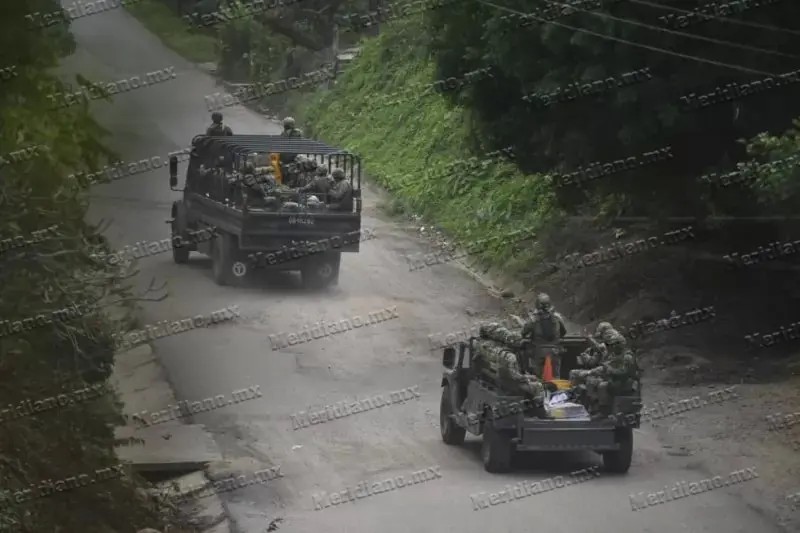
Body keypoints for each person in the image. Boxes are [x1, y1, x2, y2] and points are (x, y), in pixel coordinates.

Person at [569, 322, 640, 419]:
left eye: (614, 344)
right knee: (592, 380)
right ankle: (592, 406)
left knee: (602, 385)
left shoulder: (627, 356)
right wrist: (593, 372)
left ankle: (603, 411)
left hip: (624, 381)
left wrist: (609, 370)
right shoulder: (614, 354)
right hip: (616, 379)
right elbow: (604, 366)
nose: (611, 347)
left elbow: (624, 372)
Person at [520, 293, 568, 378]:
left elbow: (523, 332)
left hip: (538, 353)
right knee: (556, 377)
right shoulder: (557, 317)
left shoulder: (533, 319)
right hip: (555, 352)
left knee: (538, 378)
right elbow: (563, 332)